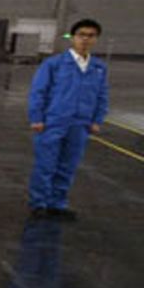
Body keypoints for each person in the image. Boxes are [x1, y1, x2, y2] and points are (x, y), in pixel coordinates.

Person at [27, 17, 110, 220]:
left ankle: (57, 203)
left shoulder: (98, 68)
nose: (85, 39)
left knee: (68, 166)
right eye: (81, 35)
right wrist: (37, 117)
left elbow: (102, 95)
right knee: (46, 165)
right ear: (73, 37)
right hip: (52, 122)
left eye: (91, 36)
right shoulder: (54, 64)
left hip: (80, 124)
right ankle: (39, 203)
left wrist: (97, 119)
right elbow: (39, 92)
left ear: (96, 39)